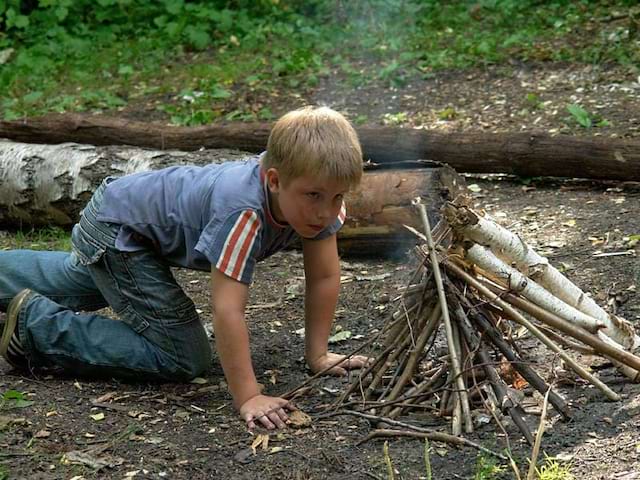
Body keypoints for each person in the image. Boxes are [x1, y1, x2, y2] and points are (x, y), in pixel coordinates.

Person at [0, 106, 370, 430]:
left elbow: (323, 276)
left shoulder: (319, 200)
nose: (325, 211)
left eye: (337, 196)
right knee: (183, 354)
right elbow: (227, 308)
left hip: (123, 221)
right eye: (314, 196)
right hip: (119, 233)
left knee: (78, 281)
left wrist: (318, 355)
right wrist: (249, 396)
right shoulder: (243, 214)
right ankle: (36, 326)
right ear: (274, 180)